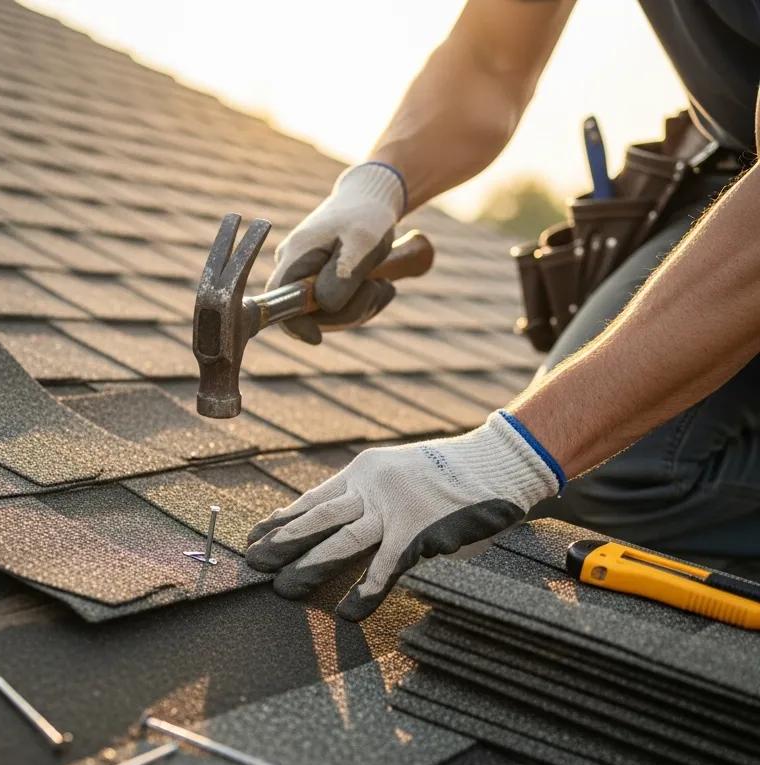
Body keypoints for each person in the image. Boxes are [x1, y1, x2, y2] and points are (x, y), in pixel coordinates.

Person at [244, 0, 760, 622]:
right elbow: (492, 55)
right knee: (590, 471)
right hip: (736, 172)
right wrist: (377, 186)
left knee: (610, 469)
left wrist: (509, 456)